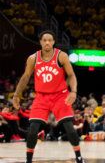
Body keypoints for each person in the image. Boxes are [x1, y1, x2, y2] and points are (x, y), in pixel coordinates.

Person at [12, 31, 84, 163]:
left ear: (54, 42)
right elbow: (26, 77)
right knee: (33, 130)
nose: (47, 42)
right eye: (44, 40)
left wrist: (73, 91)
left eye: (50, 40)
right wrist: (16, 94)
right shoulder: (33, 58)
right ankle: (28, 160)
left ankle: (79, 158)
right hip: (41, 97)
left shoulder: (61, 56)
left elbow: (71, 75)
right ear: (40, 42)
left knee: (70, 129)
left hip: (60, 95)